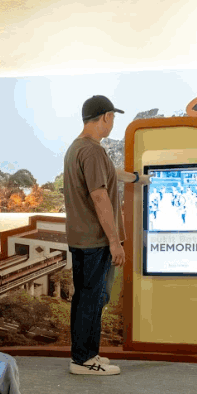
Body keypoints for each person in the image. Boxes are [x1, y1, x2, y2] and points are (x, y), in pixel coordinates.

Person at [63, 95, 126, 377]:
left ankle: (83, 355)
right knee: (93, 298)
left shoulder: (77, 149)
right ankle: (85, 359)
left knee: (84, 299)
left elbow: (108, 178)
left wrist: (137, 178)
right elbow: (100, 196)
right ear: (105, 117)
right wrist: (114, 241)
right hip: (96, 240)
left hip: (80, 239)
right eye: (112, 117)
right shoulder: (93, 151)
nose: (112, 123)